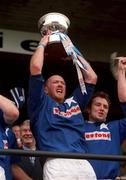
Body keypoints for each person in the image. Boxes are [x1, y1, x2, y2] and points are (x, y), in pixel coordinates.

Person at [28, 31, 97, 180]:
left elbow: (91, 77)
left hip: (83, 162)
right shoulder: (40, 103)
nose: (60, 84)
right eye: (55, 82)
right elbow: (35, 68)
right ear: (45, 89)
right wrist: (43, 43)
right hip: (57, 162)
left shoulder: (74, 102)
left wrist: (71, 48)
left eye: (63, 83)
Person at [83, 57, 126, 179]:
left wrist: (121, 72)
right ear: (88, 109)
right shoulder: (78, 126)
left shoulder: (115, 127)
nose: (102, 108)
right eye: (98, 105)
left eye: (105, 107)